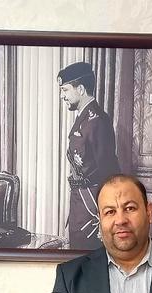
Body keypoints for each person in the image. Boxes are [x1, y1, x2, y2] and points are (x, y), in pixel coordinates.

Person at [58, 61, 121, 249]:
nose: (62, 96)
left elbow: (108, 170)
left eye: (65, 90)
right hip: (81, 204)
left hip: (92, 207)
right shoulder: (85, 118)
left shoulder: (96, 121)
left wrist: (106, 215)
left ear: (81, 89)